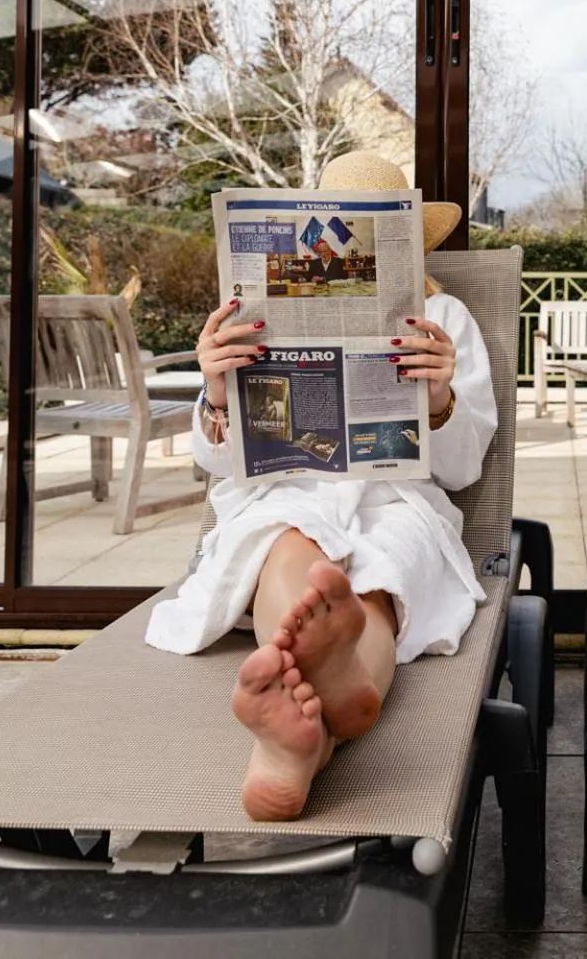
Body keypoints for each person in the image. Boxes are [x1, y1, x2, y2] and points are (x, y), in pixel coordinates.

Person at [145, 153, 496, 822]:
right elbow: (218, 462)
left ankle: (301, 737)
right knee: (290, 546)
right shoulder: (258, 313)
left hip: (399, 497)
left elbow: (464, 467)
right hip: (285, 492)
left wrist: (444, 397)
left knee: (381, 573)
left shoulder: (445, 317)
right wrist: (218, 392)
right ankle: (337, 696)